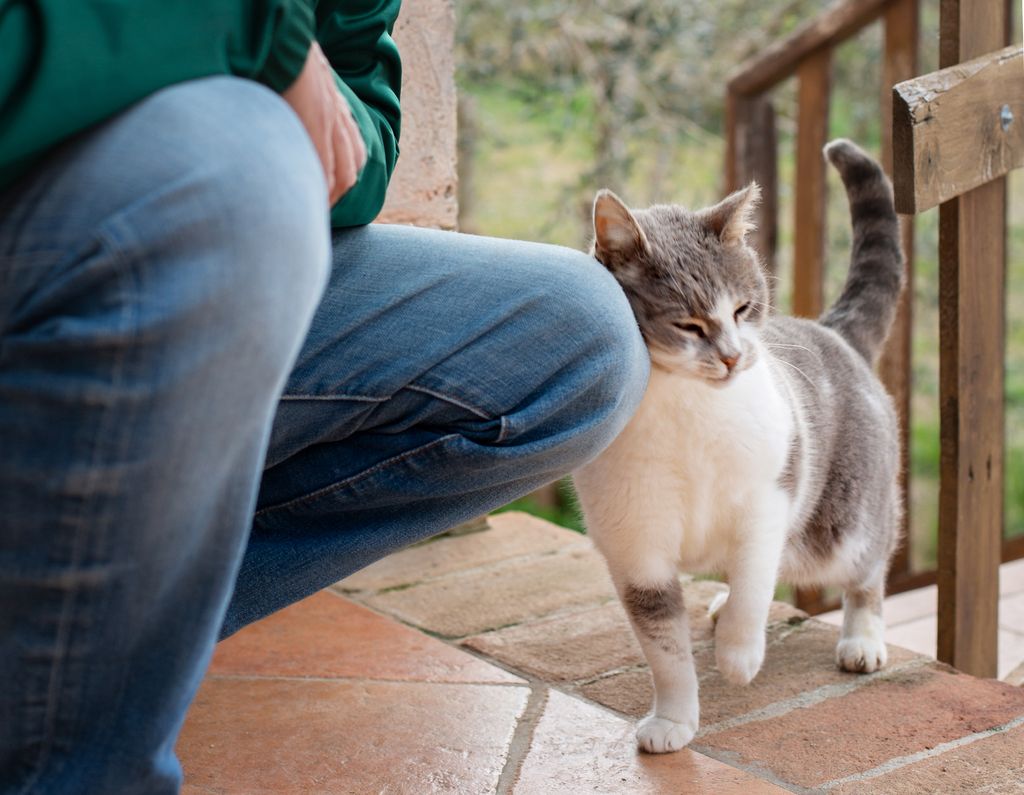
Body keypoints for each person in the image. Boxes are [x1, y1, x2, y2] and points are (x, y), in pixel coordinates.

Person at [0, 2, 649, 792]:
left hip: (181, 236)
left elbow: (360, 129)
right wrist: (256, 40)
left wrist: (291, 97)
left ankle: (69, 644)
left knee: (578, 340)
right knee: (235, 163)